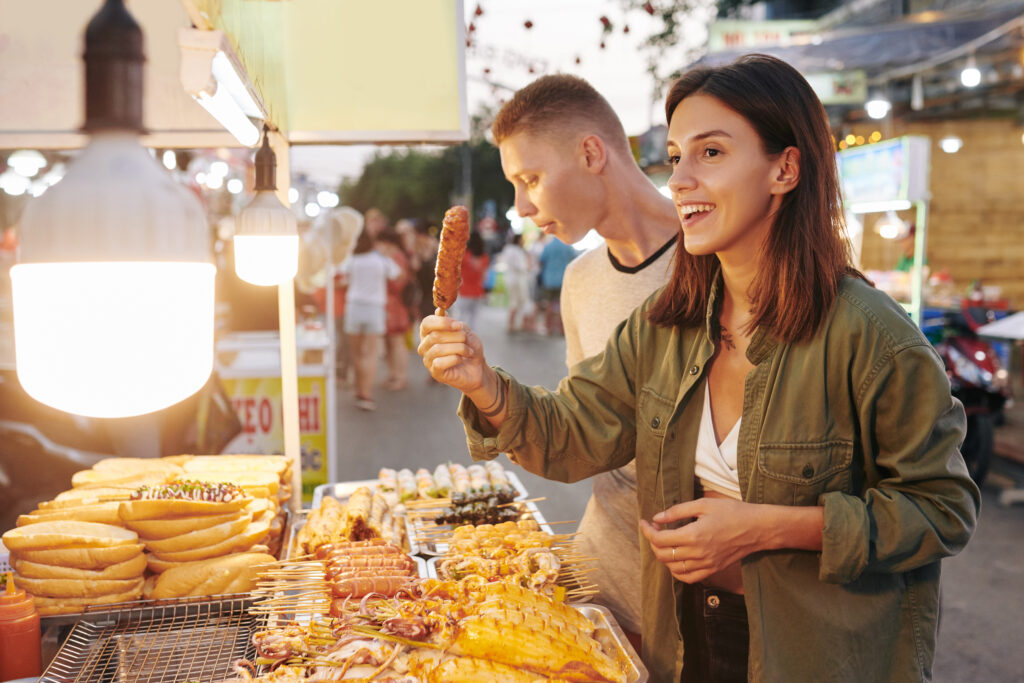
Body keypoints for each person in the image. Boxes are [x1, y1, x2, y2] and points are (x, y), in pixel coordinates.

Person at [419, 54, 979, 683]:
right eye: (678, 154)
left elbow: (941, 508)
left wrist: (769, 528)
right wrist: (485, 384)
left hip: (814, 653)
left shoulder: (871, 337)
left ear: (785, 168)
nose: (680, 178)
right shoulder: (667, 326)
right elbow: (574, 433)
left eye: (711, 153)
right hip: (684, 638)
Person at [490, 73, 680, 643]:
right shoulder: (579, 279)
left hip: (703, 595)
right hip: (601, 575)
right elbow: (588, 426)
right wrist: (484, 388)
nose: (522, 206)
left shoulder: (717, 264)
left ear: (591, 153)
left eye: (531, 179)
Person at [337, 230, 400, 411]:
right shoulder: (381, 260)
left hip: (354, 307)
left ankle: (359, 389)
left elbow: (339, 276)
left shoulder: (352, 259)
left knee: (356, 353)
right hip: (375, 308)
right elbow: (398, 274)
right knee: (371, 353)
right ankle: (366, 393)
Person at [376, 227, 415, 392]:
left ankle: (400, 376)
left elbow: (399, 283)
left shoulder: (396, 257)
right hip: (390, 305)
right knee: (390, 342)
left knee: (397, 342)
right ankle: (393, 374)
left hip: (396, 306)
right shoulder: (393, 256)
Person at [536, 235, 578, 335]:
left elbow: (541, 260)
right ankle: (561, 329)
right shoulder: (567, 246)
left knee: (549, 304)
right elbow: (575, 258)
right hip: (562, 279)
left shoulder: (548, 246)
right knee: (562, 305)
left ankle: (548, 327)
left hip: (549, 279)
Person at [498, 233, 534, 333]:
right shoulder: (516, 251)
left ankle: (512, 323)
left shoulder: (509, 249)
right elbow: (520, 266)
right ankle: (513, 323)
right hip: (517, 280)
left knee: (515, 302)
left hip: (512, 279)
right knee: (516, 302)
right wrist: (528, 267)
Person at [455, 230, 489, 330]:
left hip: (464, 291)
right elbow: (484, 277)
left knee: (459, 319)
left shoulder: (464, 255)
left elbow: (456, 273)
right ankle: (471, 340)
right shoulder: (484, 257)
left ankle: (458, 340)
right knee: (474, 320)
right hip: (478, 291)